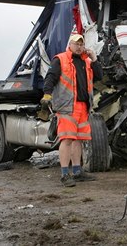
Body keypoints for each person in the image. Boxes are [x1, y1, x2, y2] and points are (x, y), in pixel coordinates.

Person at [41, 33, 103, 187]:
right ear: (70, 45)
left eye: (82, 44)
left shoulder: (87, 62)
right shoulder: (60, 59)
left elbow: (99, 76)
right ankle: (64, 174)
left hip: (83, 107)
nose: (79, 47)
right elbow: (50, 78)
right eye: (77, 44)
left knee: (79, 140)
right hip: (67, 107)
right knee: (67, 139)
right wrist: (47, 95)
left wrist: (94, 58)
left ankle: (77, 171)